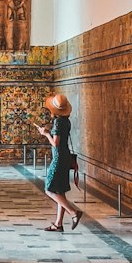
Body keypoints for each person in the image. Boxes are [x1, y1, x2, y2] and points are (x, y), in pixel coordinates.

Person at [36, 92, 82, 230]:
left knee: (49, 189)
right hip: (66, 156)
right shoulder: (66, 121)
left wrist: (45, 134)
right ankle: (58, 224)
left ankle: (73, 212)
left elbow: (55, 143)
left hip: (59, 157)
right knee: (60, 190)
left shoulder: (57, 122)